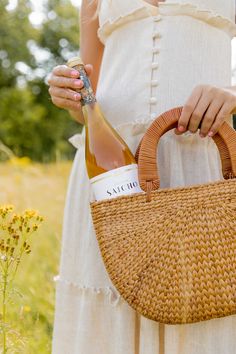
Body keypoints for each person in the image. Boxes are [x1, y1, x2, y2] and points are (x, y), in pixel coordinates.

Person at [48, 0, 236, 353]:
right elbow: (90, 103)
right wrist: (72, 96)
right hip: (111, 174)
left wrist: (231, 93)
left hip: (199, 170)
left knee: (206, 299)